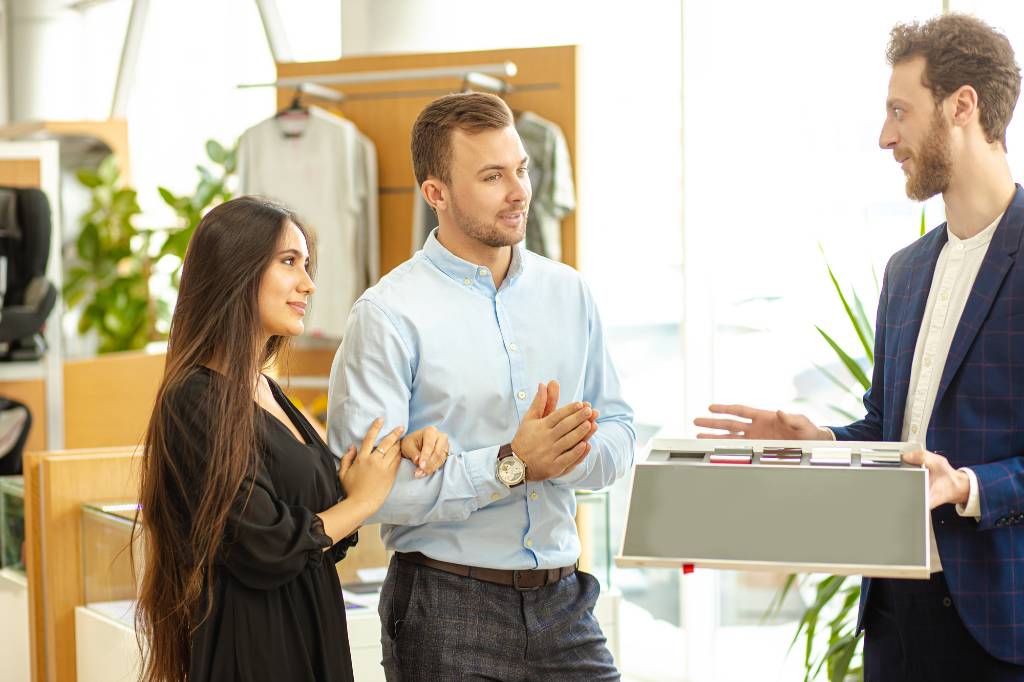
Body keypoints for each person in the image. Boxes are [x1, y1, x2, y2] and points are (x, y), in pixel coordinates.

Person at [695, 14, 1024, 681]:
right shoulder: (906, 271)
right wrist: (816, 438)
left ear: (963, 105)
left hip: (1000, 624)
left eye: (900, 110)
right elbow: (889, 429)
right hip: (895, 618)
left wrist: (966, 485)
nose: (885, 137)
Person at [328, 92, 635, 681]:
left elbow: (620, 430)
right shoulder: (388, 315)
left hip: (564, 603)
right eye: (493, 176)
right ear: (435, 194)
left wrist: (561, 457)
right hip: (444, 609)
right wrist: (513, 464)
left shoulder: (569, 294)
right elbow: (371, 494)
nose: (519, 191)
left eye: (520, 169)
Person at [136, 196, 405, 682]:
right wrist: (363, 503)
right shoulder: (192, 397)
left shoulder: (265, 388)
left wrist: (409, 445)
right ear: (235, 270)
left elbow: (322, 513)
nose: (309, 283)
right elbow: (263, 542)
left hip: (310, 631)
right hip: (255, 650)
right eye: (289, 263)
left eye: (306, 264)